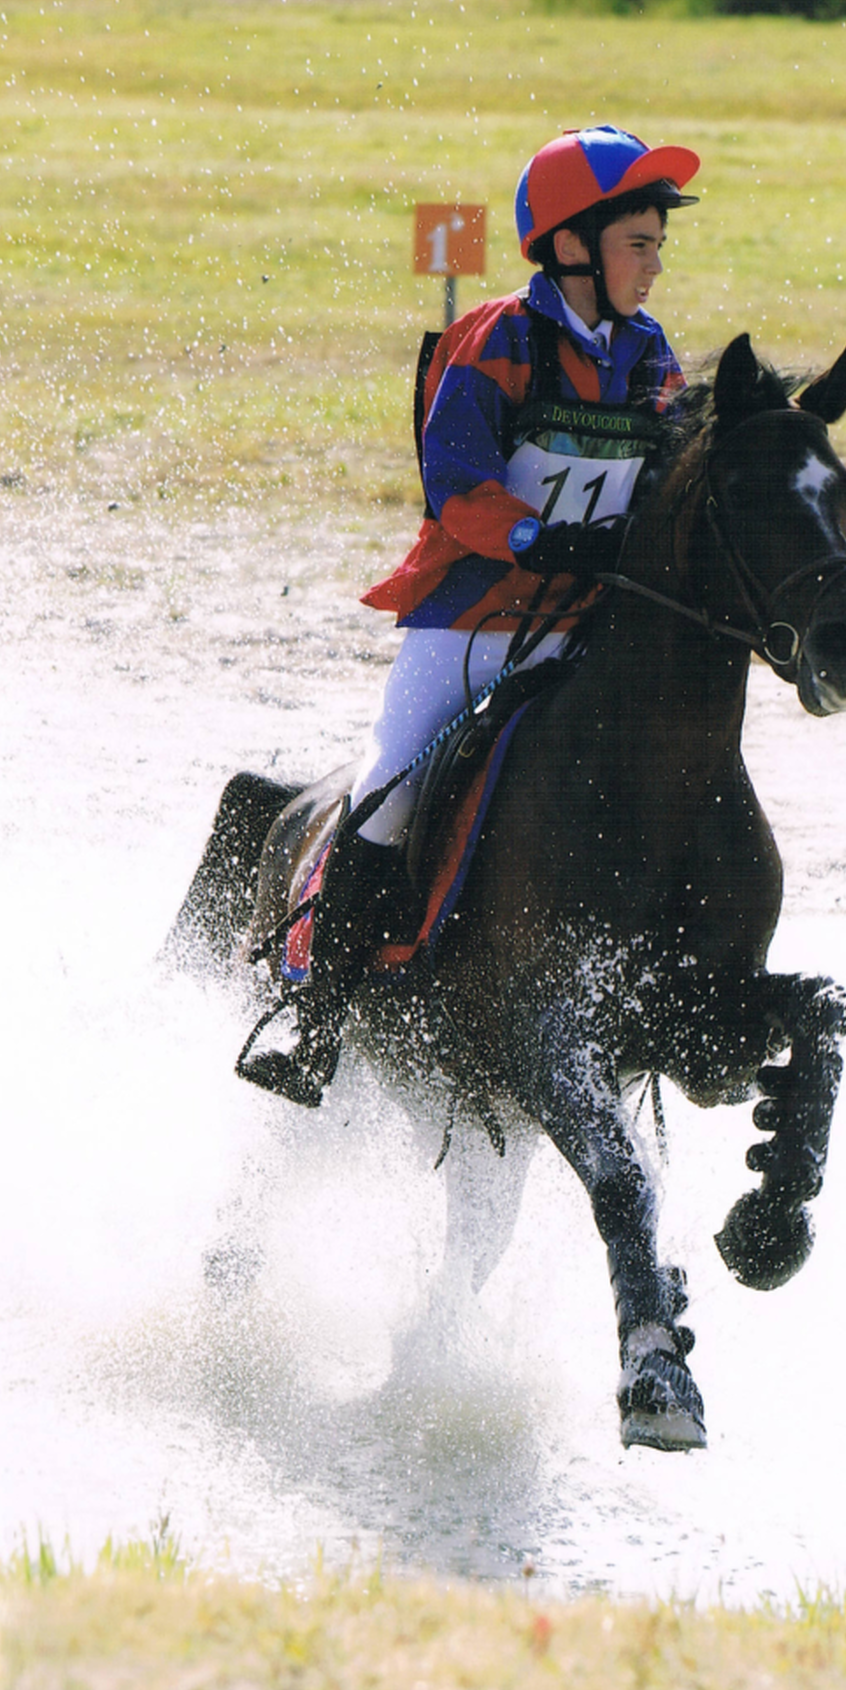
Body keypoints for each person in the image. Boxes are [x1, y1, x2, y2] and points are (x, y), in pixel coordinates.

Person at [241, 125, 700, 1106]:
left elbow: (669, 475)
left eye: (660, 245)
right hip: (466, 627)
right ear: (573, 243)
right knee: (389, 795)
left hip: (574, 634)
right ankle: (314, 1023)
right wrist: (543, 538)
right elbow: (456, 482)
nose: (656, 263)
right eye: (640, 243)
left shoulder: (651, 356)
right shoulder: (497, 339)